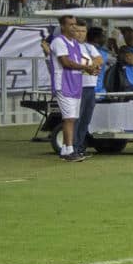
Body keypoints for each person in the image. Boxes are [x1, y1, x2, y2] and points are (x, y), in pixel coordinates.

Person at [49, 15, 96, 161]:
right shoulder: (58, 42)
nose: (74, 27)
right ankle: (69, 151)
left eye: (75, 24)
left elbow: (77, 62)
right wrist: (85, 68)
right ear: (63, 27)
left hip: (75, 83)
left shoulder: (75, 44)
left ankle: (66, 150)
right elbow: (66, 63)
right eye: (70, 25)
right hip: (63, 83)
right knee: (69, 118)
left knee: (73, 118)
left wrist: (90, 68)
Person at [74, 21, 103, 157]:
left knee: (86, 119)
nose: (81, 34)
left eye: (83, 31)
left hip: (90, 86)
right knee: (76, 119)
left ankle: (80, 147)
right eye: (78, 31)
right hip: (78, 87)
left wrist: (90, 65)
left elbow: (99, 59)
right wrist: (91, 66)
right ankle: (73, 148)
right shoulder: (71, 47)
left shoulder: (88, 47)